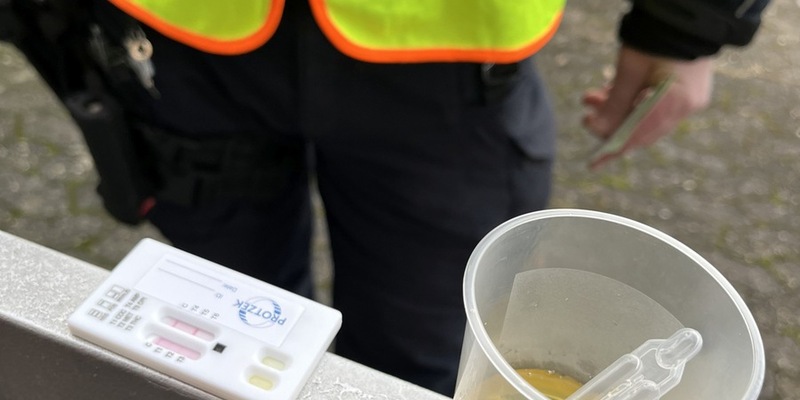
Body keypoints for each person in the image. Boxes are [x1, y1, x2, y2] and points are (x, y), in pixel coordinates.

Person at [3, 0, 771, 395]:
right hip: (180, 38)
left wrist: (689, 20)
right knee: (220, 327)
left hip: (447, 47)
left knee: (427, 357)